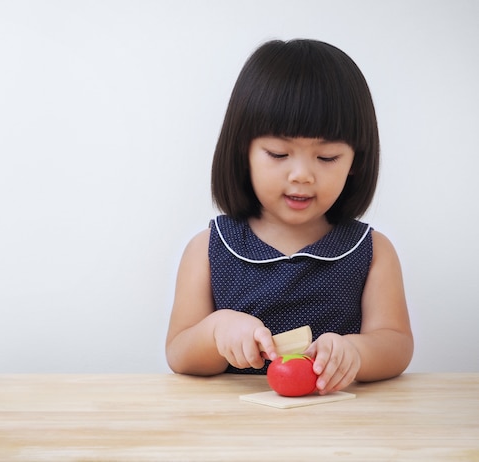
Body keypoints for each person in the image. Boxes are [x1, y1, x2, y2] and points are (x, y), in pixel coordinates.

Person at [165, 39, 413, 395]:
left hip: (337, 428)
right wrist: (215, 331)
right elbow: (179, 354)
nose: (302, 175)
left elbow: (396, 344)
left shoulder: (371, 250)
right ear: (243, 150)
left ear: (356, 161)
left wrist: (356, 351)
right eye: (278, 153)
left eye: (326, 157)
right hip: (233, 429)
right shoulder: (209, 248)